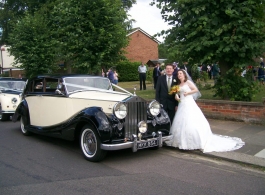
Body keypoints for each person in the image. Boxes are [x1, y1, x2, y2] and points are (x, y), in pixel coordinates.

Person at [166, 69, 245, 152]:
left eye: (181, 73)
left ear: (184, 75)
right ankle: (180, 142)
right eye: (178, 74)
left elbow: (195, 90)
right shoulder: (178, 84)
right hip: (182, 104)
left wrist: (187, 93)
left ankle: (196, 141)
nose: (179, 75)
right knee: (180, 121)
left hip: (189, 103)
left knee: (191, 120)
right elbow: (177, 94)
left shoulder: (188, 82)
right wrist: (177, 96)